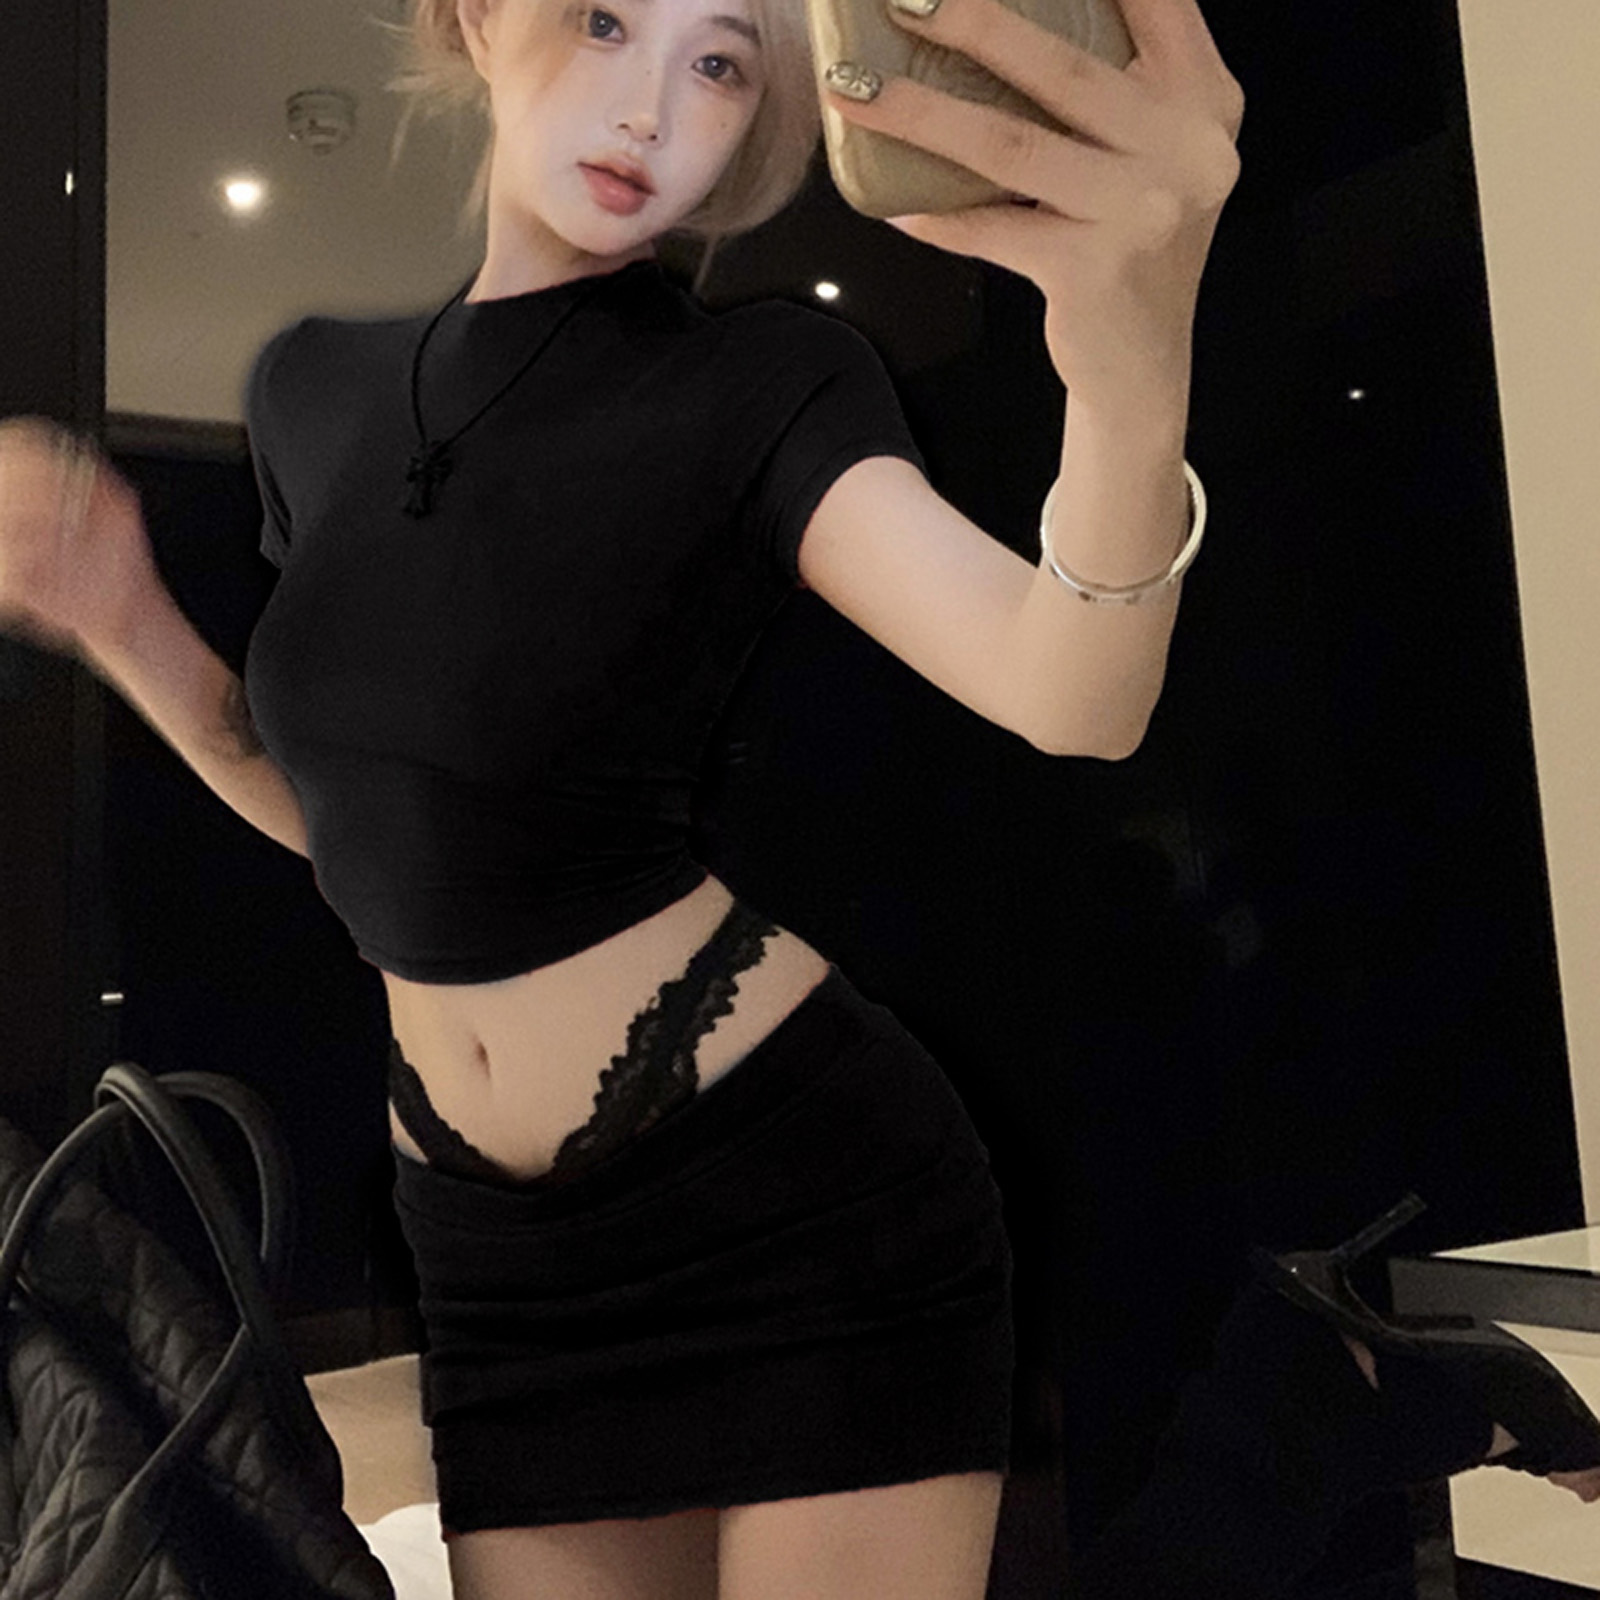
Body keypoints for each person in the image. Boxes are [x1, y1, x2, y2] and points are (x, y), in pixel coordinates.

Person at [0, 1, 1251, 1596]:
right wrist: (119, 615)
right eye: (604, 20)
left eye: (718, 61)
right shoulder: (311, 390)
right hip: (491, 1258)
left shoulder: (759, 382)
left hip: (790, 1204)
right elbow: (362, 830)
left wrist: (1132, 362)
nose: (654, 109)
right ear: (477, 18)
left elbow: (1073, 692)